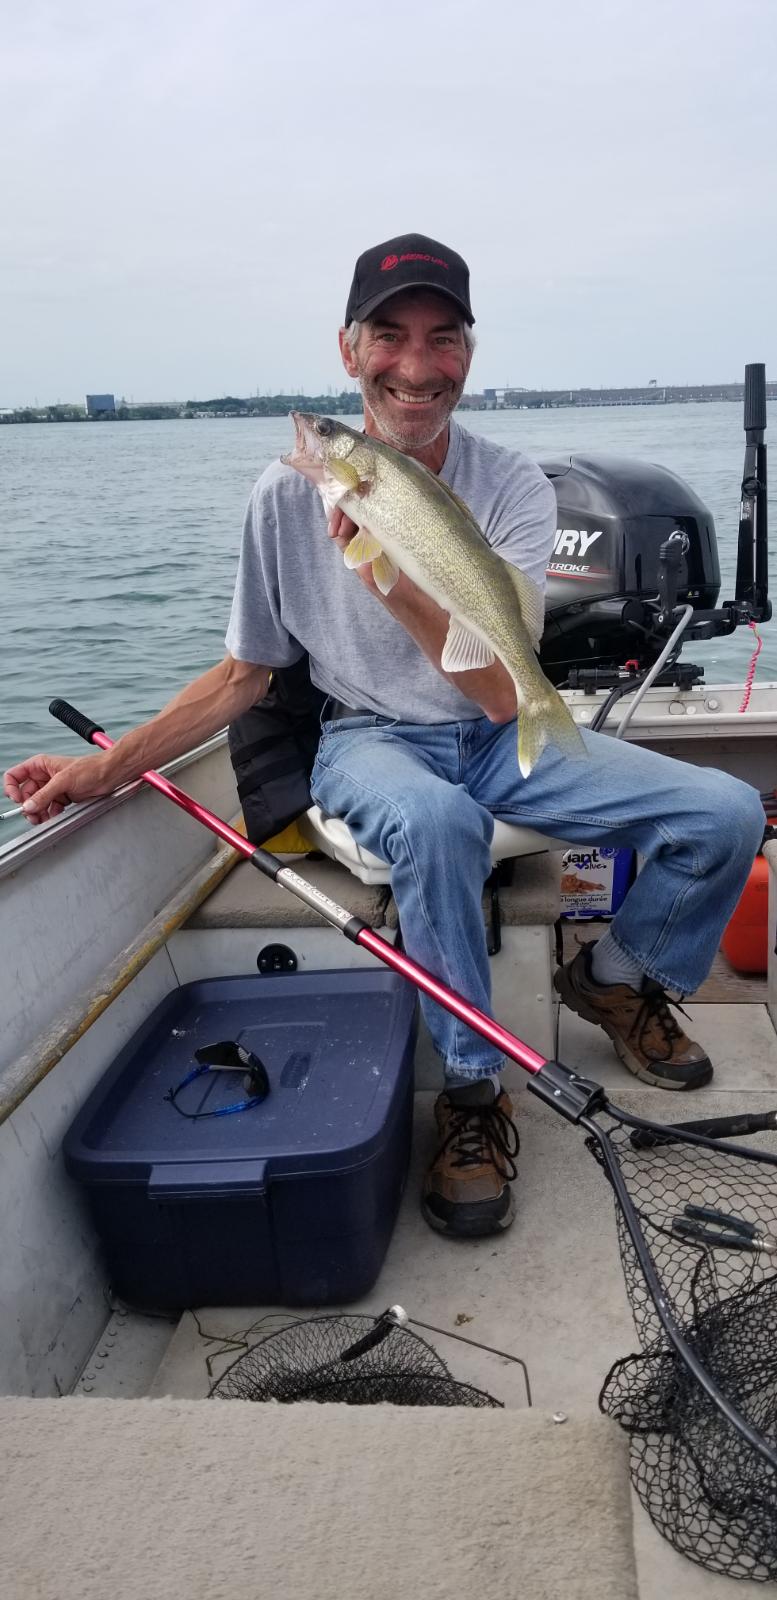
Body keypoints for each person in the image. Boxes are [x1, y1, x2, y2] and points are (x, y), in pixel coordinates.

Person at [4, 232, 765, 1242]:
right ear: (350, 346)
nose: (416, 364)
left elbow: (505, 696)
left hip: (498, 731)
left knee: (724, 808)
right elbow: (246, 676)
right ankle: (470, 1088)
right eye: (389, 335)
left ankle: (616, 982)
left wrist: (391, 577)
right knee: (438, 823)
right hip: (370, 739)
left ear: (468, 354)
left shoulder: (514, 489)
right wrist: (103, 771)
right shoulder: (285, 497)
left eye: (442, 338)